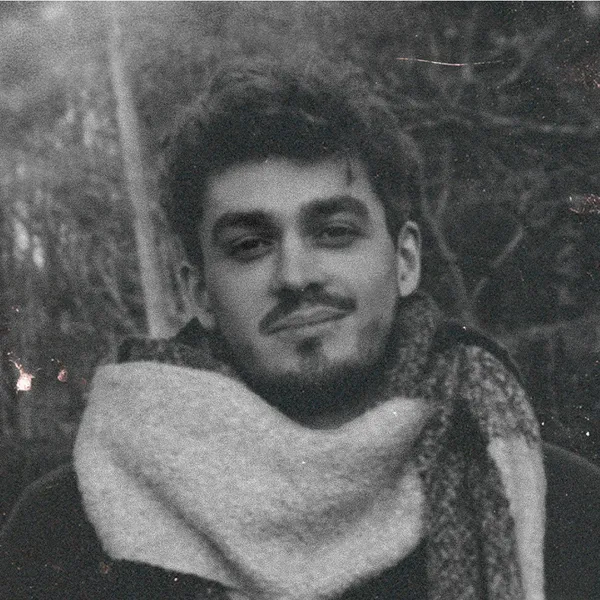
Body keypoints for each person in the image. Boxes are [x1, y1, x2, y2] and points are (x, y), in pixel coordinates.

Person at [1, 56, 599, 600]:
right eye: (249, 245)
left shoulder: (566, 510)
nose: (295, 275)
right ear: (197, 291)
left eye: (334, 232)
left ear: (405, 261)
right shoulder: (68, 530)